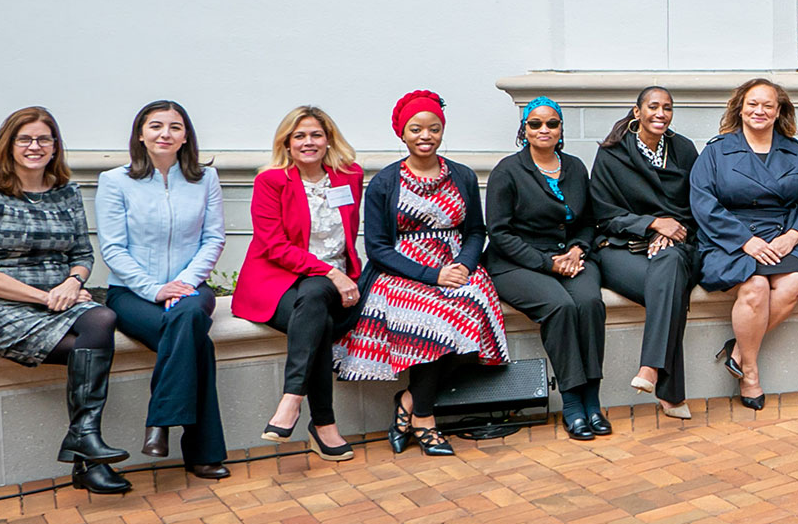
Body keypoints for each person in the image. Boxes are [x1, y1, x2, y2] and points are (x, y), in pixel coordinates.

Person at [0, 107, 132, 493]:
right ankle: (88, 459)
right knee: (89, 346)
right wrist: (47, 296)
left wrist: (72, 282)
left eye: (43, 139)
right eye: (25, 139)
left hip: (58, 299)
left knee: (101, 320)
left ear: (55, 146)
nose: (35, 146)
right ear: (9, 144)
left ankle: (85, 442)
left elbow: (83, 255)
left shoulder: (65, 191)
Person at [339, 90, 511, 456]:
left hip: (457, 262)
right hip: (403, 271)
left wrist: (464, 265)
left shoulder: (462, 175)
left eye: (433, 128)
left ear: (442, 131)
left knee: (477, 309)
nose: (425, 136)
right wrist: (432, 276)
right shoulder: (386, 182)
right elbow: (378, 248)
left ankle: (407, 402)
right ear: (402, 134)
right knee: (433, 317)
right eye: (416, 129)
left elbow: (476, 231)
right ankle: (425, 420)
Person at [96, 99, 229, 479]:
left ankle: (160, 421)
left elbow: (213, 238)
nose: (165, 134)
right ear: (141, 134)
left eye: (174, 127)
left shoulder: (206, 179)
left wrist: (183, 284)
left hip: (191, 288)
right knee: (195, 340)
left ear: (186, 136)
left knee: (187, 313)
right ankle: (203, 452)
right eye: (155, 126)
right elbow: (114, 249)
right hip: (133, 295)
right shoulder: (115, 181)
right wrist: (156, 290)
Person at [234, 104, 365, 461]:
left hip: (332, 282)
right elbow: (273, 245)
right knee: (317, 315)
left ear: (328, 140)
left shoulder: (349, 176)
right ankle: (321, 422)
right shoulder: (271, 181)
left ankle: (291, 403)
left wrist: (338, 273)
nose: (308, 142)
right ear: (287, 143)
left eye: (316, 135)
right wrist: (332, 273)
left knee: (315, 297)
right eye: (300, 136)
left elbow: (348, 235)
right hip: (277, 281)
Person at [691, 77, 798, 411]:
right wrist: (745, 241)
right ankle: (749, 372)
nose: (759, 111)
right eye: (753, 104)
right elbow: (703, 203)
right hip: (729, 240)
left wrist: (793, 236)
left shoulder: (795, 150)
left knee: (796, 281)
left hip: (783, 237)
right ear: (740, 108)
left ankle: (738, 348)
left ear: (779, 112)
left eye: (768, 105)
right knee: (756, 286)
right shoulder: (717, 151)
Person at [487, 96, 608, 440]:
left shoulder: (574, 167)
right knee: (560, 307)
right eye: (535, 123)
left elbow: (587, 221)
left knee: (589, 304)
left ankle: (592, 401)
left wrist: (576, 249)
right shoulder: (507, 171)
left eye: (551, 123)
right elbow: (498, 233)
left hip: (571, 257)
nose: (544, 129)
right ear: (524, 129)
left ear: (560, 129)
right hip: (517, 263)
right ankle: (572, 404)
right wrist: (547, 263)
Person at [590, 85, 698, 420]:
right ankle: (670, 391)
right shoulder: (613, 154)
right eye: (653, 107)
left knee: (670, 268)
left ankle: (651, 366)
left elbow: (697, 206)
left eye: (667, 108)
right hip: (621, 248)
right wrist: (651, 224)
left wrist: (672, 232)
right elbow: (603, 213)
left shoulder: (683, 150)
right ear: (637, 112)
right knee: (670, 289)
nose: (661, 114)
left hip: (676, 245)